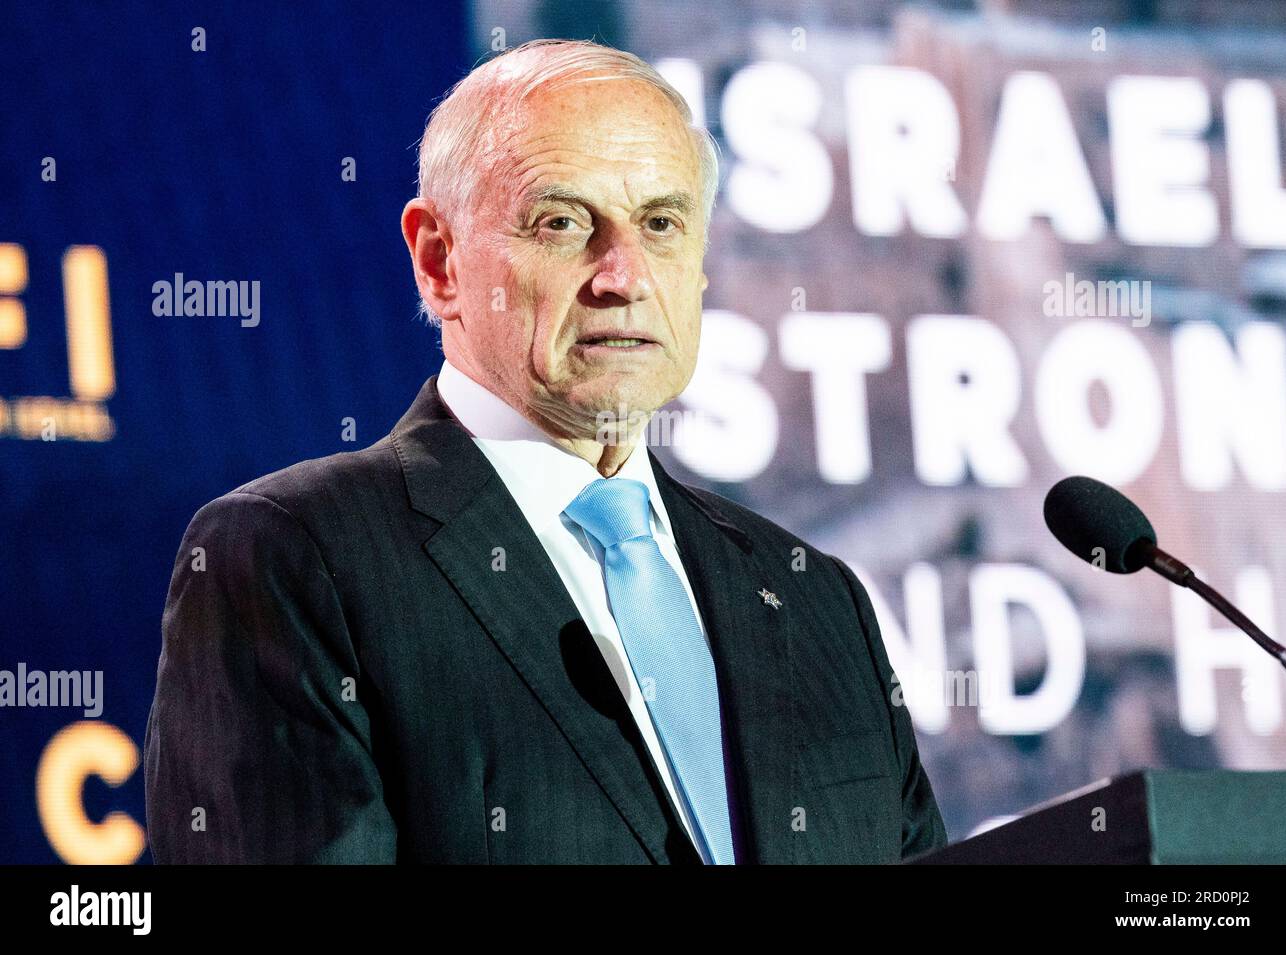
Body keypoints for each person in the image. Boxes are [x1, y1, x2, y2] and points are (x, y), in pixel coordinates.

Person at [144, 38, 947, 864]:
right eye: (563, 222)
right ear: (439, 262)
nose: (623, 275)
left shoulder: (814, 598)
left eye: (662, 224)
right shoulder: (293, 559)